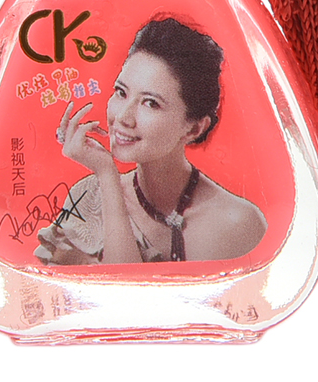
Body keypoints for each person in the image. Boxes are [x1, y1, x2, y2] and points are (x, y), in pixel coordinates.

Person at [35, 17, 267, 265]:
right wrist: (107, 175)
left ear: (194, 128)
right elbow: (103, 287)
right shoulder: (88, 196)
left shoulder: (237, 222)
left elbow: (130, 284)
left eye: (151, 103)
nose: (123, 118)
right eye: (121, 92)